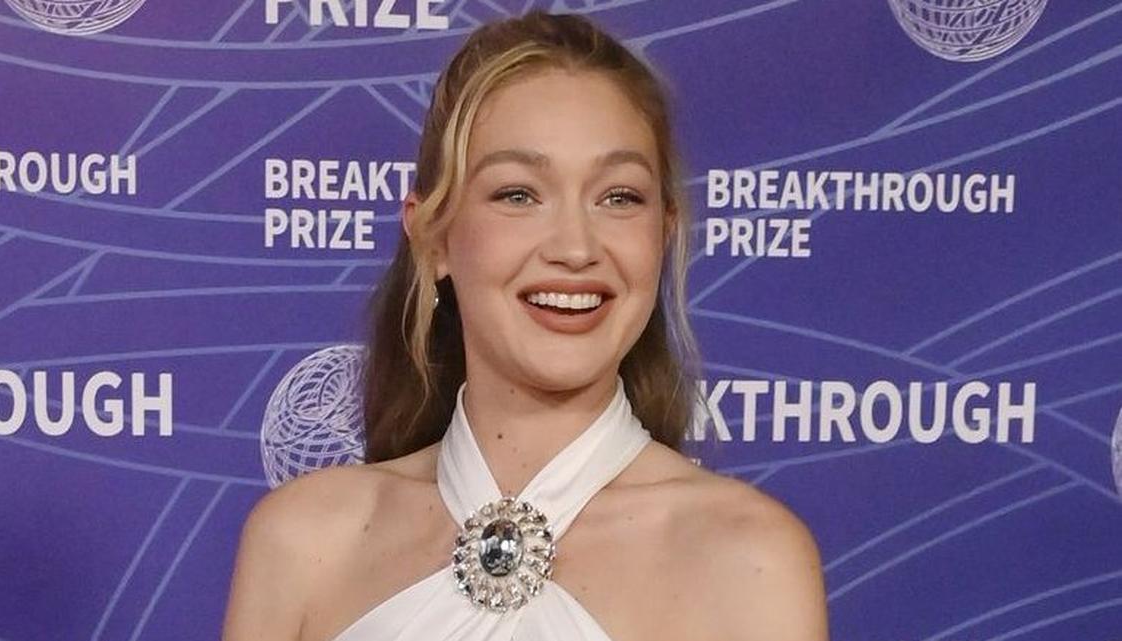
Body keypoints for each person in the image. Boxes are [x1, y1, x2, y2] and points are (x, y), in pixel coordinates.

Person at [223, 10, 828, 641]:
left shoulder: (749, 559)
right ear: (433, 238)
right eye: (518, 194)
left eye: (619, 197)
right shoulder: (302, 542)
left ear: (664, 232)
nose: (575, 247)